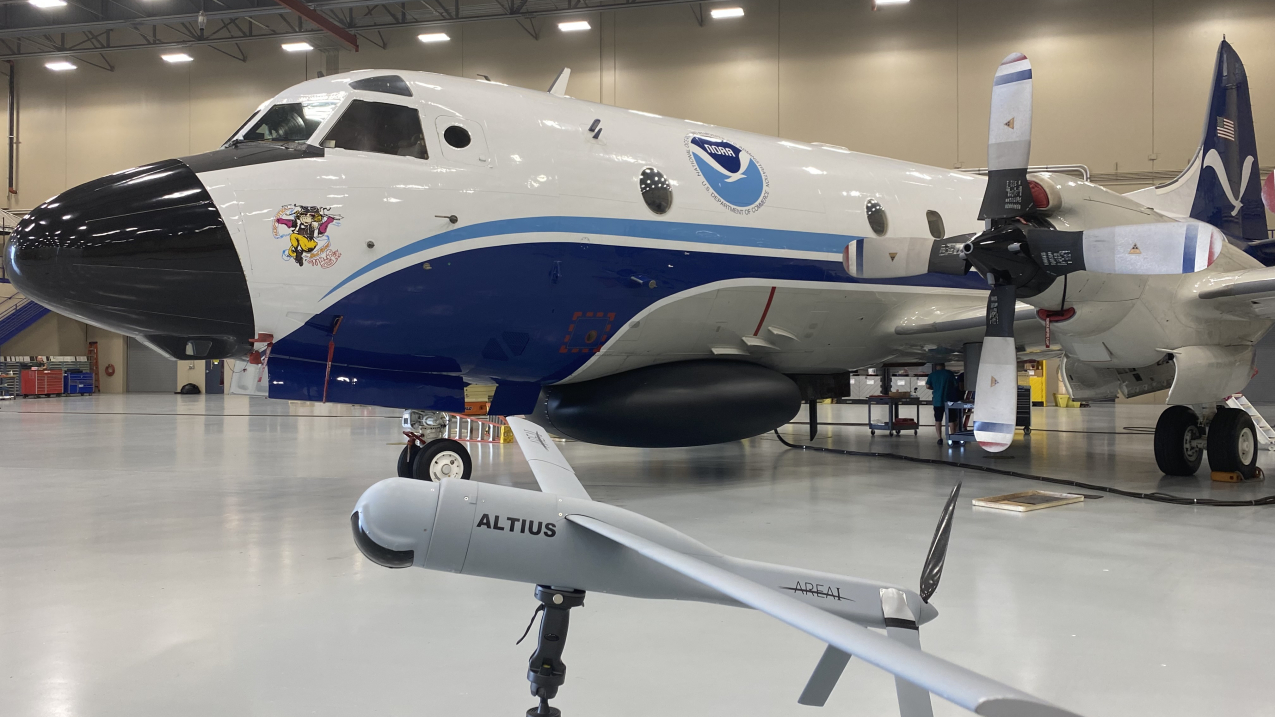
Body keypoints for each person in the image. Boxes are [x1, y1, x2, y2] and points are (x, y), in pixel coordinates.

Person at [925, 363, 958, 444]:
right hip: (949, 400)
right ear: (944, 366)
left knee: (938, 420)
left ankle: (939, 438)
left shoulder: (932, 375)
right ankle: (952, 437)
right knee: (951, 420)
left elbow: (927, 386)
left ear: (936, 367)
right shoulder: (949, 373)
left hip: (937, 400)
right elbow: (956, 385)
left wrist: (935, 388)